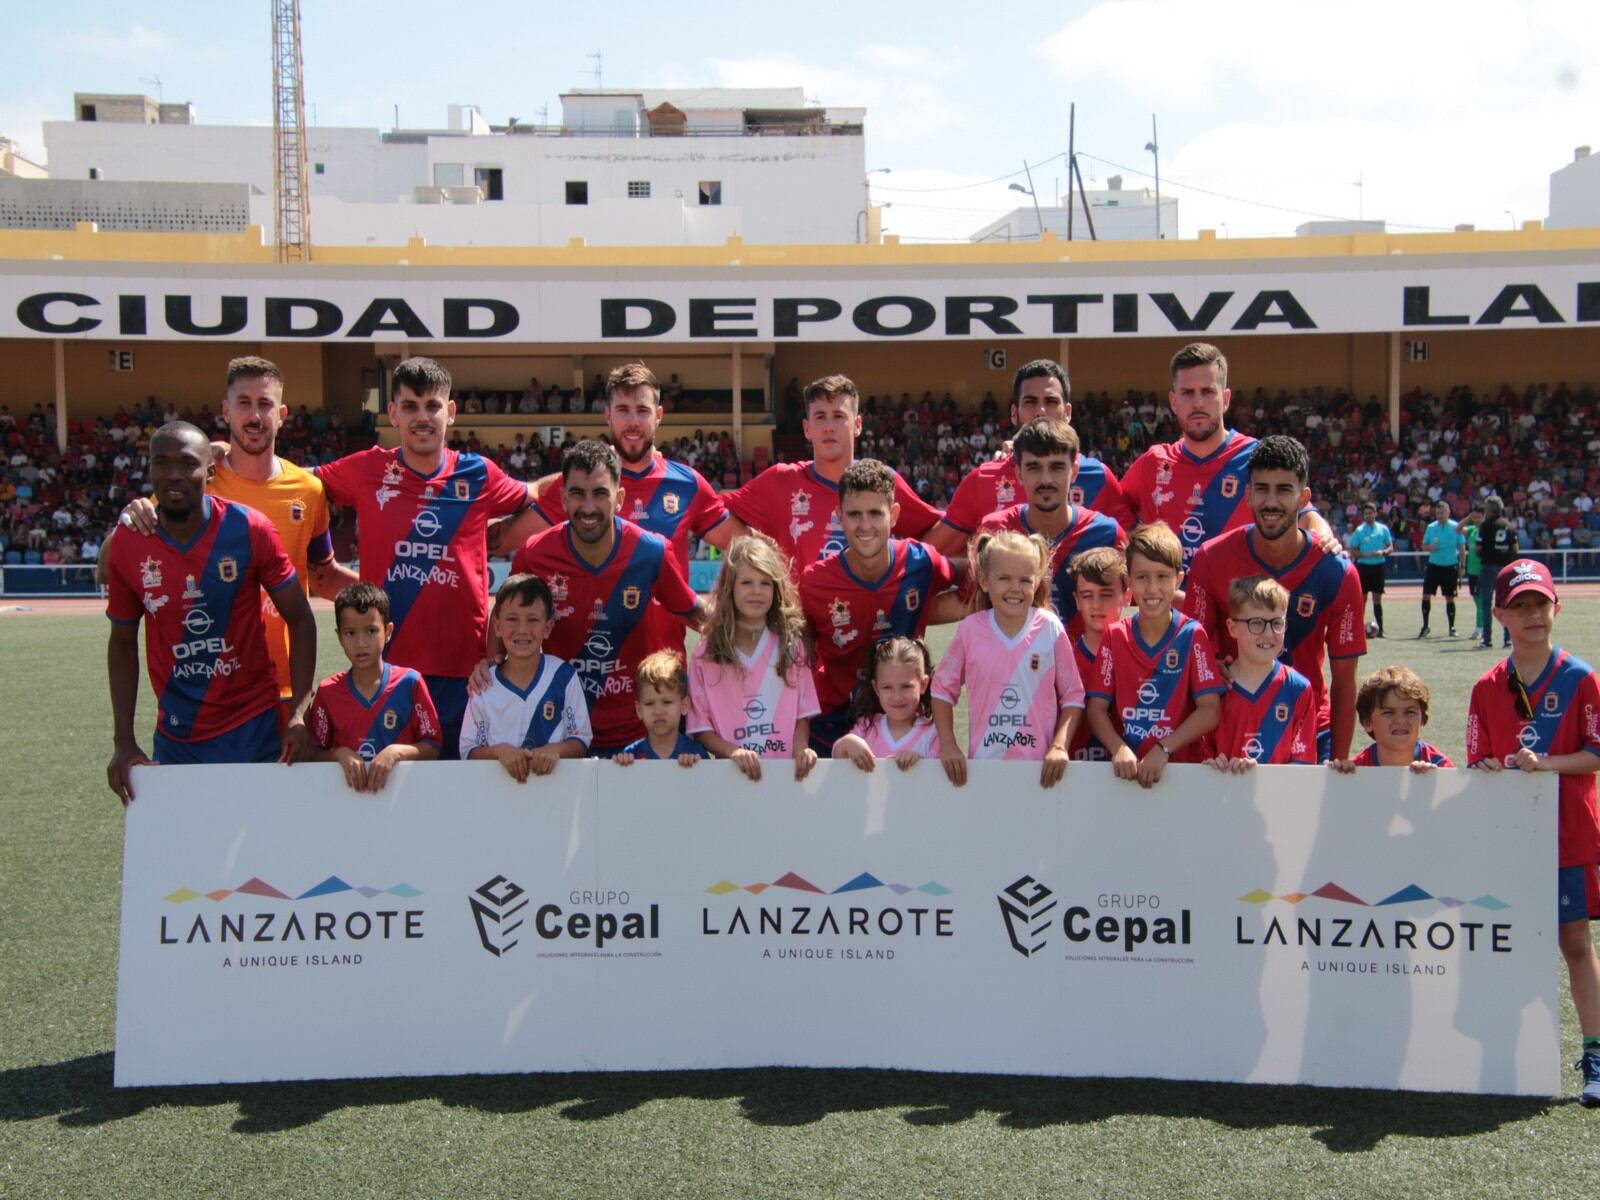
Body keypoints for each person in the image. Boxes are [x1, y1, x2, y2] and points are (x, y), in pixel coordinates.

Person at [104, 357, 359, 711]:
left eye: (265, 404)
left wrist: (386, 596)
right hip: (211, 688)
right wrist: (128, 519)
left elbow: (323, 575)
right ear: (226, 411)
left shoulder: (309, 490)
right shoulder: (196, 483)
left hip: (284, 687)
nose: (254, 416)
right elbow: (109, 565)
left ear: (282, 415)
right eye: (244, 403)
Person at [316, 357, 536, 757]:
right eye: (411, 406)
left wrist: (500, 537)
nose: (422, 417)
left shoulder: (478, 474)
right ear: (393, 413)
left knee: (461, 794)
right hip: (386, 672)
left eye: (432, 406)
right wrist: (223, 458)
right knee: (386, 791)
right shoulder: (368, 468)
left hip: (466, 674)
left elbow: (538, 499)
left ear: (450, 413)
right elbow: (295, 486)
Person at [104, 423, 316, 804]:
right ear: (149, 471)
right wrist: (123, 741)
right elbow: (121, 641)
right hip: (177, 736)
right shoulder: (129, 542)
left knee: (258, 855)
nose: (173, 475)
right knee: (188, 858)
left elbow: (300, 618)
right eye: (161, 464)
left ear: (210, 471)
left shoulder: (249, 528)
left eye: (187, 463)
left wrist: (299, 712)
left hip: (253, 726)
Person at [1466, 559, 1600, 1107]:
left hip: (1568, 836)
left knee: (1574, 943)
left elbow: (1595, 755)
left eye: (1539, 604)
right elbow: (1476, 760)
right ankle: (1505, 1053)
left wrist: (1544, 763)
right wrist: (1490, 768)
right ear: (1499, 614)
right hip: (1511, 841)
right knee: (1511, 945)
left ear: (1556, 608)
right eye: (1519, 606)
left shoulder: (1580, 677)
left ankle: (1594, 1053)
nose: (1532, 615)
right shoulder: (1486, 686)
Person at [507, 362, 750, 648]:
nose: (633, 421)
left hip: (662, 675)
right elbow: (502, 539)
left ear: (658, 416)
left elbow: (747, 547)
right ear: (607, 415)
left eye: (643, 411)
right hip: (582, 672)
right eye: (622, 410)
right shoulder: (578, 487)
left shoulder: (687, 485)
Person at [508, 440, 704, 756]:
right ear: (562, 498)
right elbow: (505, 622)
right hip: (562, 734)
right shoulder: (534, 554)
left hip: (642, 732)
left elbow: (693, 612)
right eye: (577, 494)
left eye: (600, 493)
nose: (588, 507)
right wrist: (487, 664)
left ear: (619, 498)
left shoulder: (651, 551)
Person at [1183, 436, 1367, 765]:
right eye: (1262, 489)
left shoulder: (1336, 571)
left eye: (1283, 489)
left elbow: (1344, 679)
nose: (1271, 501)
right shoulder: (1211, 559)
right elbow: (1194, 651)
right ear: (1248, 494)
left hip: (1310, 729)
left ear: (1303, 497)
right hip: (1232, 729)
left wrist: (1338, 759)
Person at [1120, 342, 1334, 571]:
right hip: (1171, 605)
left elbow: (1303, 513)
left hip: (1239, 603)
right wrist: (1137, 545)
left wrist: (1324, 536)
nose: (1198, 402)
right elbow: (1115, 507)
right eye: (1188, 393)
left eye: (1208, 391)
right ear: (1174, 401)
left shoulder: (1257, 458)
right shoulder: (1154, 463)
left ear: (1226, 398)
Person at [797, 458, 960, 754]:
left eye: (875, 513)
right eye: (854, 514)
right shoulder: (814, 582)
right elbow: (799, 655)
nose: (865, 525)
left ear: (894, 514)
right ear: (839, 516)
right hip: (833, 723)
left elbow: (973, 576)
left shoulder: (920, 562)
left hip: (901, 719)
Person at [723, 374, 943, 581]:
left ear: (857, 425)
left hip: (868, 618)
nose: (829, 427)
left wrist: (904, 573)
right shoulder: (780, 481)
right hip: (798, 619)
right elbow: (713, 513)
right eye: (820, 417)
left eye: (838, 416)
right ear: (807, 428)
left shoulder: (881, 482)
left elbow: (940, 530)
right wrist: (756, 547)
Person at [929, 359, 1134, 554]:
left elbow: (1135, 555)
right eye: (1030, 402)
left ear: (1068, 412)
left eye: (1051, 401)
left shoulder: (1098, 477)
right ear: (1013, 413)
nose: (1041, 411)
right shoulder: (982, 480)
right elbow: (934, 556)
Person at [931, 529, 1084, 788]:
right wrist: (948, 744)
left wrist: (1059, 745)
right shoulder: (971, 630)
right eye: (1004, 578)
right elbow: (942, 691)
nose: (1016, 588)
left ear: (1037, 582)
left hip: (1039, 776)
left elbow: (1073, 696)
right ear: (985, 580)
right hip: (984, 774)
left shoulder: (1049, 627)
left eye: (1025, 580)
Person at [1087, 522, 1224, 788]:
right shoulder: (1115, 636)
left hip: (1182, 775)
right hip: (1126, 776)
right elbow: (1096, 710)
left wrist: (1165, 748)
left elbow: (1210, 710)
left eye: (1162, 577)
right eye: (1142, 577)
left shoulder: (1192, 634)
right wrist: (1118, 748)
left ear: (1179, 580)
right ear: (1129, 581)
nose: (1152, 588)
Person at [687, 533, 820, 781]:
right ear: (729, 587)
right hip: (732, 780)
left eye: (765, 583)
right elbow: (700, 728)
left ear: (776, 588)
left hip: (785, 777)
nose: (756, 591)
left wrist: (801, 748)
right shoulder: (705, 654)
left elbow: (803, 715)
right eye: (747, 583)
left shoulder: (792, 646)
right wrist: (733, 752)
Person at [975, 418, 1126, 629]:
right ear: (1019, 473)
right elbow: (974, 605)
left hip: (1086, 661)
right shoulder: (995, 531)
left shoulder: (1108, 534)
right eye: (1034, 468)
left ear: (1073, 472)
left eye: (1056, 467)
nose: (1046, 479)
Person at [308, 582, 441, 792]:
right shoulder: (327, 692)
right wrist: (338, 754)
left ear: (388, 632)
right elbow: (314, 753)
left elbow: (433, 746)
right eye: (350, 633)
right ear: (339, 637)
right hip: (348, 800)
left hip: (402, 798)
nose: (361, 643)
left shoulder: (410, 683)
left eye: (371, 631)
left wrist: (396, 752)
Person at [462, 573, 591, 779]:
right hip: (497, 795)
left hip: (555, 792)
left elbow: (581, 739)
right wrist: (499, 751)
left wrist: (555, 750)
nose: (522, 630)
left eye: (533, 620)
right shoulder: (484, 684)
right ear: (497, 626)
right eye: (512, 619)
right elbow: (469, 750)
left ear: (547, 628)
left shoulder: (563, 676)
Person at [1204, 576, 1317, 772]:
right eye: (1256, 623)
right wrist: (1213, 765)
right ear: (1232, 628)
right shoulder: (1213, 688)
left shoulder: (1298, 689)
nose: (1268, 633)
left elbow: (1303, 766)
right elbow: (1199, 757)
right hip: (1221, 799)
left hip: (1277, 802)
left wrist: (1261, 776)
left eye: (1276, 623)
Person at [832, 636, 941, 771]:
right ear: (876, 688)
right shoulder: (867, 726)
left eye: (906, 686)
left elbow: (940, 779)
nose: (897, 697)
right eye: (887, 687)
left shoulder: (933, 733)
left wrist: (920, 763)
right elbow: (838, 755)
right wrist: (848, 742)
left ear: (923, 684)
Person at [1064, 546, 1127, 763]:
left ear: (1127, 596)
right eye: (1087, 595)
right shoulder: (1064, 660)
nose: (1096, 605)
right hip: (1075, 777)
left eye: (1106, 594)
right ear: (1077, 600)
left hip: (1132, 776)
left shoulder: (1142, 657)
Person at [1344, 665, 1451, 770]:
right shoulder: (1357, 769)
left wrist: (1432, 782)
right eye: (1388, 712)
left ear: (1422, 719)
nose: (1401, 721)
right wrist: (1339, 777)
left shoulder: (1439, 766)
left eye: (1410, 712)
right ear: (1367, 722)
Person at [614, 650, 707, 766]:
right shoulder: (630, 756)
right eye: (649, 703)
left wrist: (694, 769)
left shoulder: (696, 755)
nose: (658, 711)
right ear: (639, 710)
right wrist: (623, 769)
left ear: (684, 705)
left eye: (667, 702)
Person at [1475, 495, 1517, 648]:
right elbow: (1515, 549)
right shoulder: (1509, 525)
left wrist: (1485, 553)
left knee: (1487, 604)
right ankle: (1508, 639)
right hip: (1505, 568)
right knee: (1506, 604)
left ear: (1490, 510)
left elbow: (1478, 548)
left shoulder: (1485, 525)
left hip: (1488, 566)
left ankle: (1487, 639)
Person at [1419, 499, 1465, 638]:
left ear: (1448, 512)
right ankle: (1425, 626)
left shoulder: (1456, 527)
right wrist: (1429, 548)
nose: (1440, 515)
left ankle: (1452, 627)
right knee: (1426, 595)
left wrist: (1462, 566)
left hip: (1450, 567)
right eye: (1438, 513)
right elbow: (1423, 546)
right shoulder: (1431, 527)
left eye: (1442, 512)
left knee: (1450, 598)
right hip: (1433, 567)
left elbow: (1462, 548)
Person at [1346, 500, 1393, 638]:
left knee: (1377, 598)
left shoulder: (1383, 529)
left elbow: (1390, 547)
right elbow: (1353, 550)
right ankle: (1359, 630)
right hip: (1364, 567)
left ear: (1375, 513)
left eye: (1370, 513)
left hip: (1378, 566)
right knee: (1362, 599)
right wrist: (1364, 554)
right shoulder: (1359, 531)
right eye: (1365, 513)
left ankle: (1381, 629)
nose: (1368, 515)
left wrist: (1383, 552)